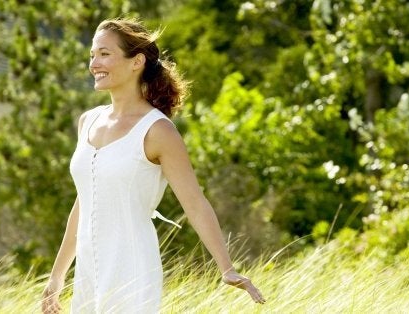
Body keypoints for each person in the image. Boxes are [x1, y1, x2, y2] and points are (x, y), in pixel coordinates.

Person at [41, 18, 265, 313]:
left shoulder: (158, 131)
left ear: (136, 62)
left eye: (105, 54)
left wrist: (227, 267)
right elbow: (85, 202)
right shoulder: (88, 122)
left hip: (132, 268)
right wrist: (57, 277)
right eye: (92, 55)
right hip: (88, 273)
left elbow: (195, 204)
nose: (94, 63)